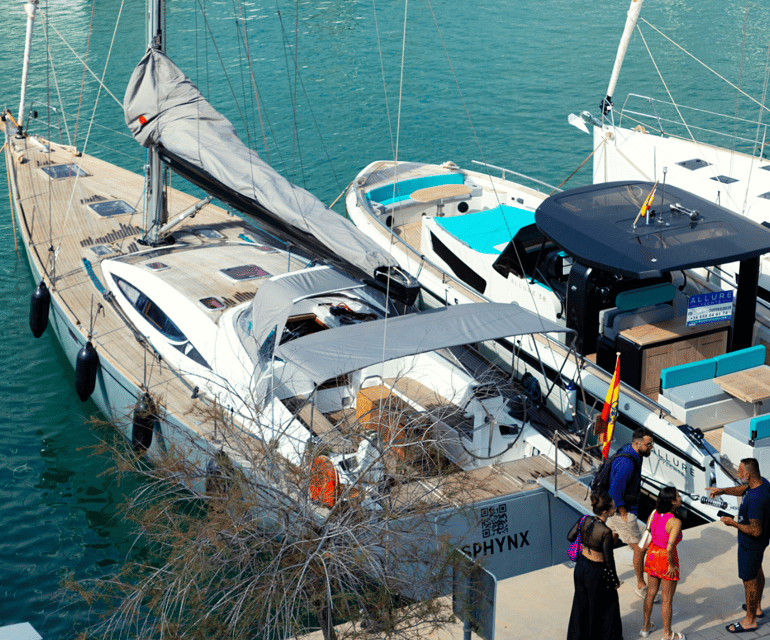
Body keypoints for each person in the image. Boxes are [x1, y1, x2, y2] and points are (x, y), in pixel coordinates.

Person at [708, 458, 770, 634]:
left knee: (749, 581)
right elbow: (744, 488)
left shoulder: (756, 500)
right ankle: (756, 608)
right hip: (759, 544)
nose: (737, 475)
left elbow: (755, 530)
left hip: (751, 544)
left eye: (740, 472)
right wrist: (722, 491)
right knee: (757, 571)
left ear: (748, 474)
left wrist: (733, 523)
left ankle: (750, 621)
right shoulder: (762, 483)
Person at [606, 426, 655, 600]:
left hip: (614, 509)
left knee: (610, 539)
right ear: (637, 443)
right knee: (640, 547)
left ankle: (606, 573)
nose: (651, 448)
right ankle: (641, 585)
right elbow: (615, 490)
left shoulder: (631, 451)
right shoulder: (627, 464)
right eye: (648, 445)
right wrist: (624, 513)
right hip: (623, 510)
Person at [566, 492, 623, 640]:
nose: (615, 509)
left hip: (581, 566)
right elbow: (609, 560)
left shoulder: (584, 519)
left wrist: (586, 542)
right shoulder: (606, 532)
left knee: (580, 602)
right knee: (606, 603)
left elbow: (570, 537)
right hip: (596, 571)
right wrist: (614, 580)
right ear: (605, 512)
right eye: (613, 508)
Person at [640, 486, 685, 640]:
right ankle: (668, 634)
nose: (680, 498)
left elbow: (650, 532)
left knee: (651, 593)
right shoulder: (675, 522)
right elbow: (670, 546)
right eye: (678, 496)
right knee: (666, 598)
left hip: (652, 555)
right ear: (672, 501)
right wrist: (671, 566)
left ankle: (645, 627)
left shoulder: (654, 514)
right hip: (666, 559)